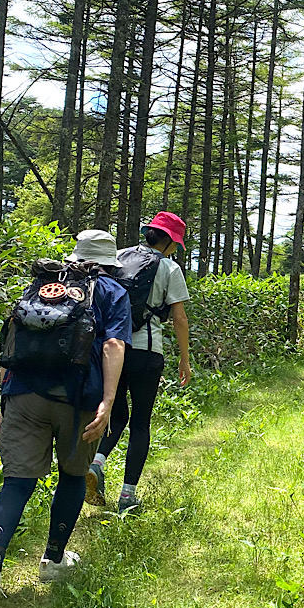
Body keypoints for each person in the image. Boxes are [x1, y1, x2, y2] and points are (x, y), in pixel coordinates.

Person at [0, 229, 131, 608]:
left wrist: (5, 398)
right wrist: (108, 403)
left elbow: (14, 341)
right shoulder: (111, 291)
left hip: (23, 394)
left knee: (16, 483)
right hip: (76, 401)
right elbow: (112, 346)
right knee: (74, 476)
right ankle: (53, 559)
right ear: (109, 261)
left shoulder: (45, 284)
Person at [86, 211, 192, 513]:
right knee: (140, 423)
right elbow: (179, 318)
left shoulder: (117, 257)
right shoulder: (170, 268)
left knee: (116, 416)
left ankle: (96, 464)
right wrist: (184, 360)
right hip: (147, 352)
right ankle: (128, 496)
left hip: (113, 349)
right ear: (170, 241)